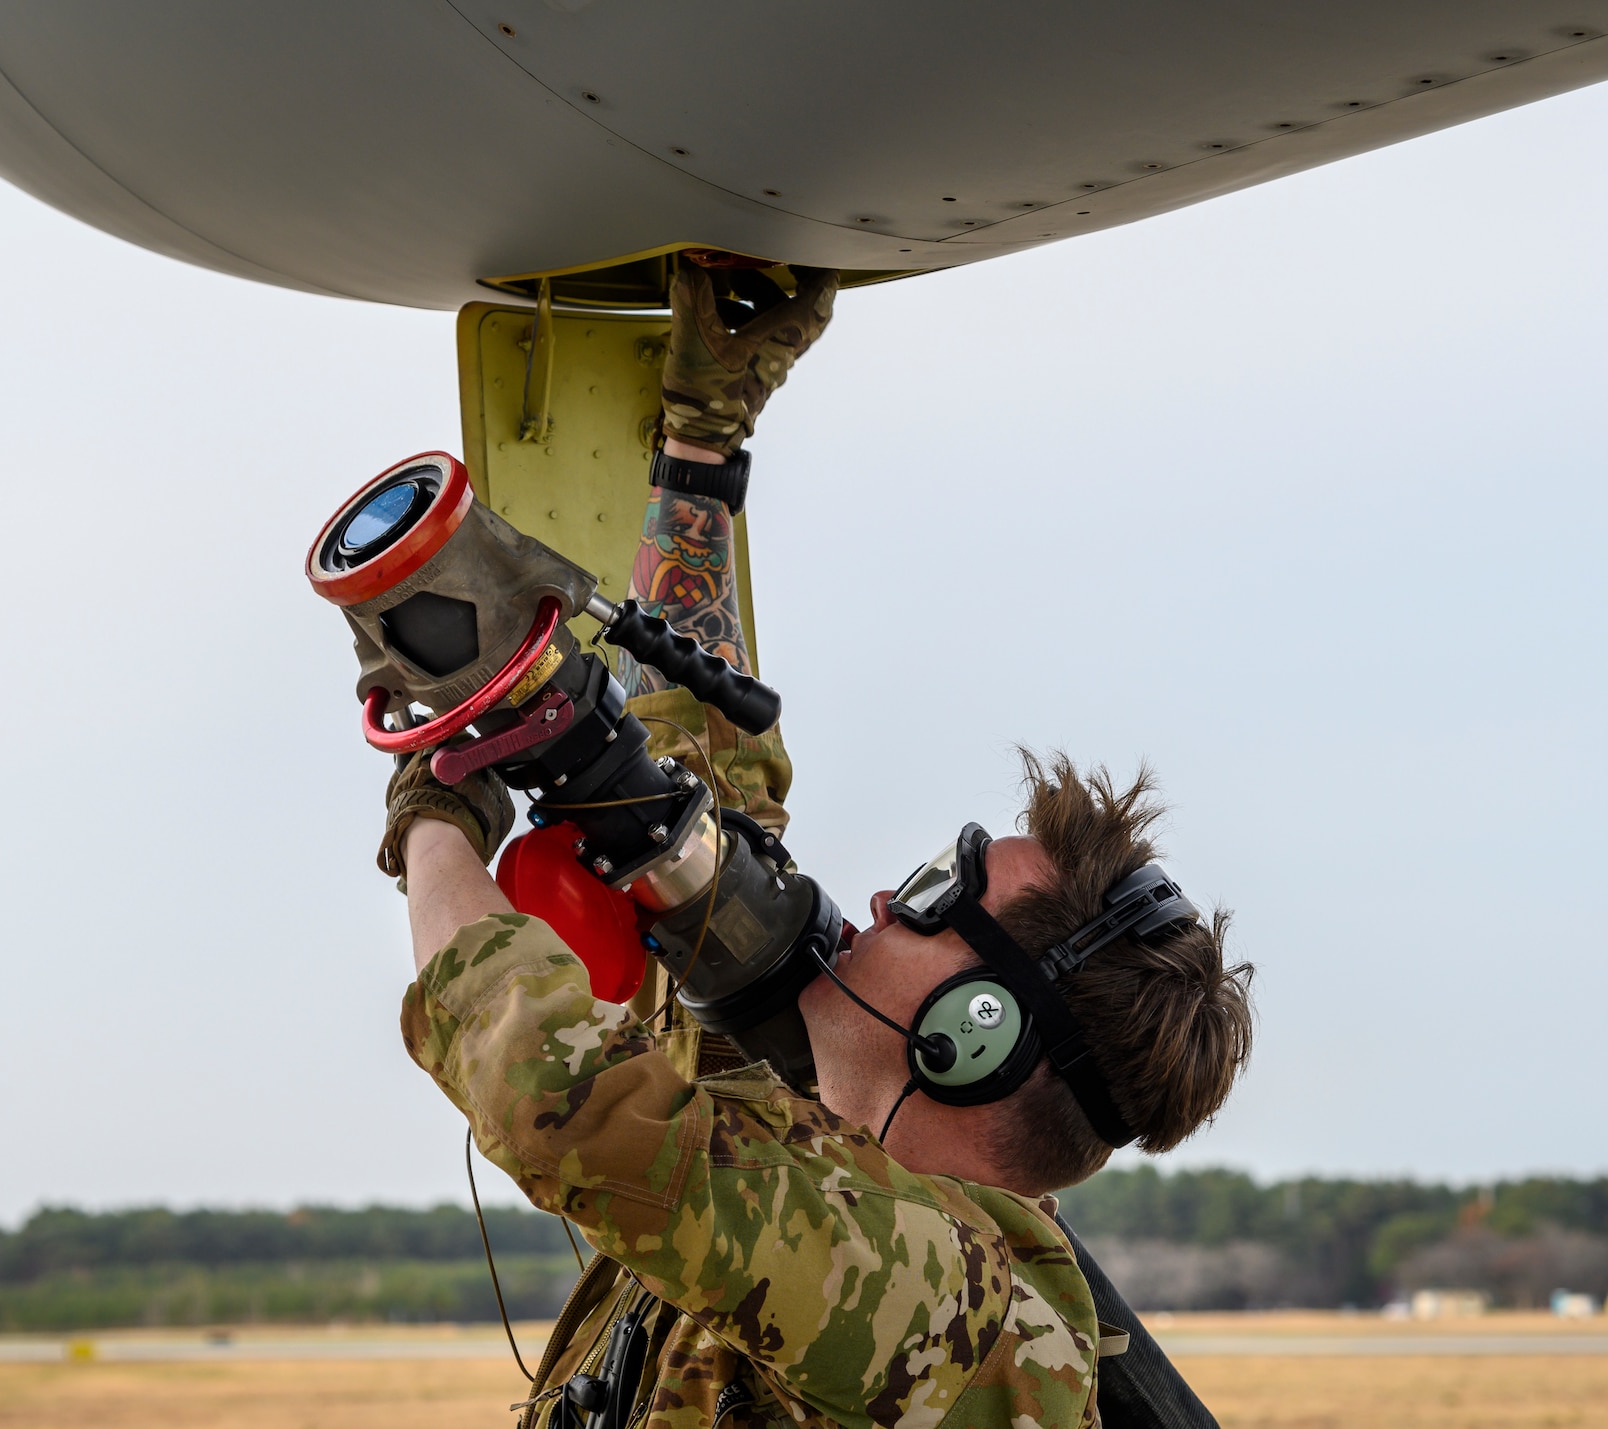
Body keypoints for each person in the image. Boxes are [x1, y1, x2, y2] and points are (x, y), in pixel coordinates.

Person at [377, 259, 1256, 1429]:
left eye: (943, 897)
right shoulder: (838, 1168)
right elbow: (694, 795)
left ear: (969, 1036)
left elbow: (563, 1098)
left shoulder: (957, 1310)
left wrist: (435, 805)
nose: (887, 897)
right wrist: (698, 453)